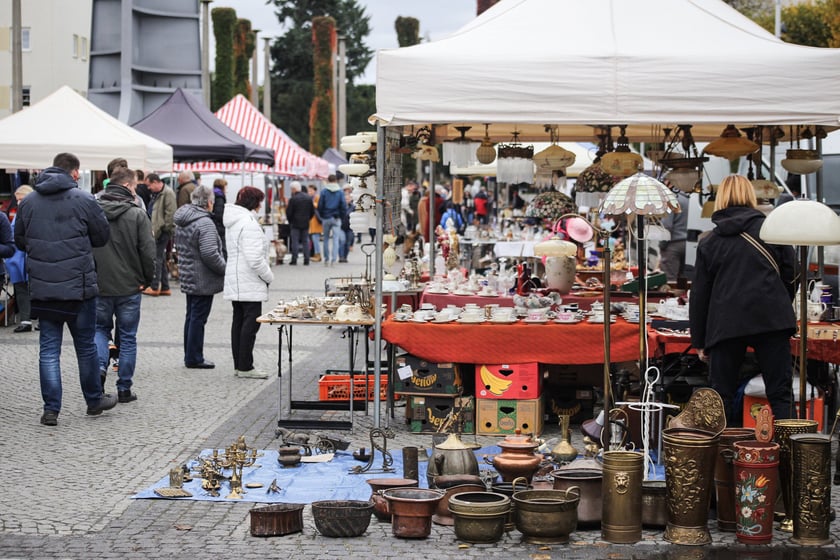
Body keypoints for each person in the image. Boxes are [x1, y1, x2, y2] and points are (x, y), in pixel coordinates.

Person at [13, 152, 117, 426]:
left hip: (45, 288)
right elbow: (102, 236)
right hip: (79, 287)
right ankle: (94, 401)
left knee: (49, 350)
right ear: (73, 173)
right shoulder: (84, 200)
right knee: (85, 346)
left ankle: (51, 409)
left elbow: (20, 240)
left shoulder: (30, 202)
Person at [689, 174, 796, 424]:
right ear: (751, 196)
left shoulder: (710, 242)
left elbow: (700, 294)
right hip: (772, 319)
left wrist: (700, 339)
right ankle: (791, 458)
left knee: (721, 396)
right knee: (781, 394)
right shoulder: (772, 230)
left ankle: (725, 459)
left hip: (726, 323)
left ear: (720, 199)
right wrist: (779, 300)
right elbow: (792, 273)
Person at [92, 167, 155, 403]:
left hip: (99, 284)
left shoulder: (92, 210)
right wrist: (147, 280)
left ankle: (99, 370)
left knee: (99, 330)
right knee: (127, 337)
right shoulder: (137, 214)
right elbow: (148, 253)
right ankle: (124, 388)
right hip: (129, 286)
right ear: (128, 186)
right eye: (136, 185)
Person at [223, 187, 274, 379]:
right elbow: (254, 259)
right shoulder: (249, 223)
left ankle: (240, 364)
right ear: (255, 203)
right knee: (250, 324)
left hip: (237, 277)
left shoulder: (234, 221)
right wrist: (268, 276)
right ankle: (245, 366)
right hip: (249, 279)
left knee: (239, 321)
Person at [174, 184, 226, 369]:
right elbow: (210, 253)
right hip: (202, 277)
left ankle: (190, 354)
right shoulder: (204, 222)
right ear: (209, 202)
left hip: (189, 273)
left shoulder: (184, 218)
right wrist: (225, 270)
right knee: (198, 318)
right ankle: (194, 357)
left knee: (192, 316)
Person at [5, 185, 34, 332]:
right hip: (18, 257)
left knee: (35, 289)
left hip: (31, 255)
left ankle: (40, 319)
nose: (18, 203)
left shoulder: (36, 213)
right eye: (17, 200)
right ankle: (25, 320)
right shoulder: (18, 215)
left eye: (21, 199)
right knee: (21, 288)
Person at [142, 173, 176, 296]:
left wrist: (165, 229)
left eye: (149, 185)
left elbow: (170, 214)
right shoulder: (159, 193)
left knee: (156, 258)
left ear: (156, 182)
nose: (148, 188)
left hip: (162, 231)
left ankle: (155, 286)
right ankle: (165, 287)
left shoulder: (168, 193)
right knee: (160, 258)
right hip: (158, 230)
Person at [659, 190, 689, 282]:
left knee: (670, 281)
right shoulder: (688, 199)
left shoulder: (671, 199)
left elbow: (667, 226)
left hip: (673, 245)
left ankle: (671, 297)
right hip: (687, 244)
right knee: (683, 281)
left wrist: (662, 245)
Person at [318, 174, 348, 266]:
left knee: (326, 239)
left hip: (326, 217)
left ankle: (326, 259)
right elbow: (343, 205)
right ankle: (334, 260)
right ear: (336, 181)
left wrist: (322, 215)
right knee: (335, 239)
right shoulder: (340, 192)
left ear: (328, 180)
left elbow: (320, 205)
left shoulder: (324, 191)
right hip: (336, 218)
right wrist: (341, 217)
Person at [285, 181, 314, 265]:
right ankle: (306, 259)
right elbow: (312, 211)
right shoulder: (308, 198)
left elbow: (289, 212)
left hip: (295, 223)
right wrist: (308, 219)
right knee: (305, 241)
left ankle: (294, 259)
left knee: (295, 241)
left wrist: (290, 221)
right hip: (305, 222)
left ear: (294, 189)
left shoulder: (293, 199)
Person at [211, 178, 228, 256]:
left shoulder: (213, 195)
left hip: (215, 226)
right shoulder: (219, 198)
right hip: (219, 228)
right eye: (226, 187)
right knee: (222, 250)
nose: (226, 189)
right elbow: (219, 214)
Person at [339, 184, 354, 263]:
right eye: (345, 199)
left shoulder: (353, 207)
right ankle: (341, 256)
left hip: (350, 228)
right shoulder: (340, 207)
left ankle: (345, 257)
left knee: (347, 243)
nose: (346, 200)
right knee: (342, 241)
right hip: (341, 227)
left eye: (348, 199)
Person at [307, 184, 323, 262]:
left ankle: (318, 255)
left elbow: (319, 206)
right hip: (312, 222)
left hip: (316, 222)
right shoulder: (311, 198)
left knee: (315, 239)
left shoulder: (317, 197)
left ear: (315, 191)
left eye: (311, 190)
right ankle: (315, 254)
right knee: (313, 239)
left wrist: (312, 203)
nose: (309, 192)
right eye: (308, 190)